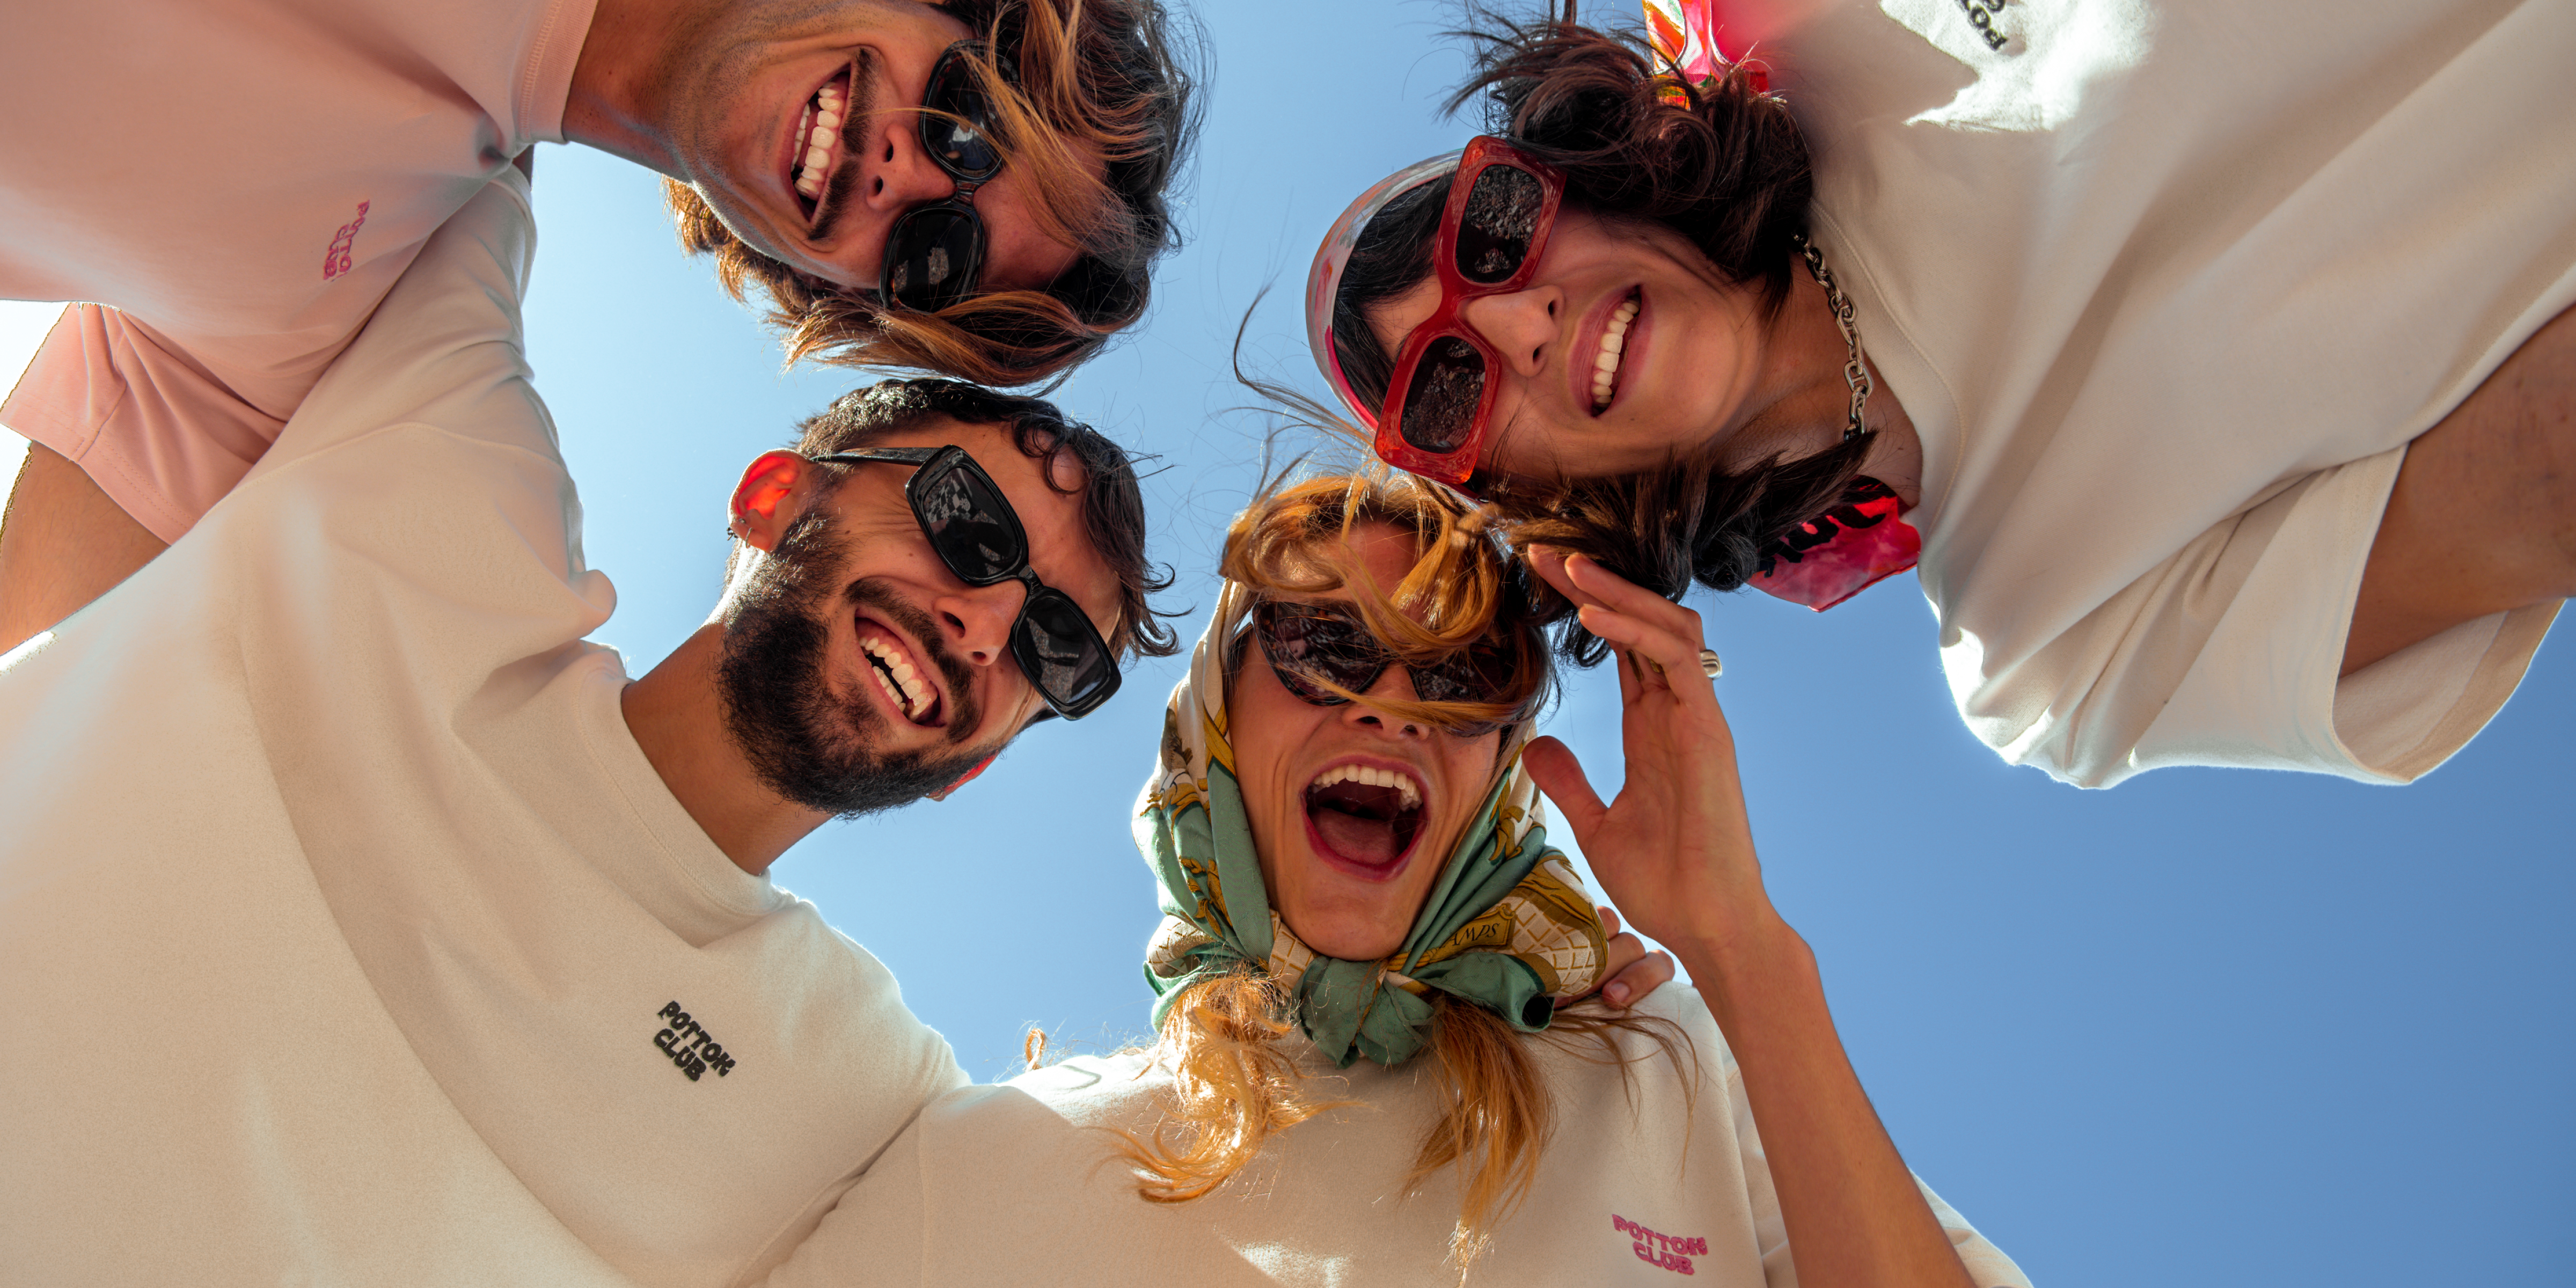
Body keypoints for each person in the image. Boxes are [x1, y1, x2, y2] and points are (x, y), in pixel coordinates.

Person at [0, 172, 1179, 1283]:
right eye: (967, 523)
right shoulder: (437, 498)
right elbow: (458, 90)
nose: (987, 625)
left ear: (975, 767)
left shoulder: (869, 1111)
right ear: (775, 496)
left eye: (1054, 651)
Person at [763, 470, 2028, 1287]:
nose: (1391, 707)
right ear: (1215, 717)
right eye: (1327, 640)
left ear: (1502, 769)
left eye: (1464, 676)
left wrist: (1742, 950)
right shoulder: (996, 1159)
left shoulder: (1667, 1069)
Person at [1305, 0, 2575, 788]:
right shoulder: (2053, 653)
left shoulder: (1813, 28)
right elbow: (2545, 478)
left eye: (1498, 228)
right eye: (1450, 390)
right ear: (1528, 497)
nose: (1521, 321)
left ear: (1573, 178)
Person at [0, 0, 1197, 652]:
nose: (907, 179)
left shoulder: (348, 300)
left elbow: (37, 676)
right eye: (968, 123)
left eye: (937, 259)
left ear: (839, 289)